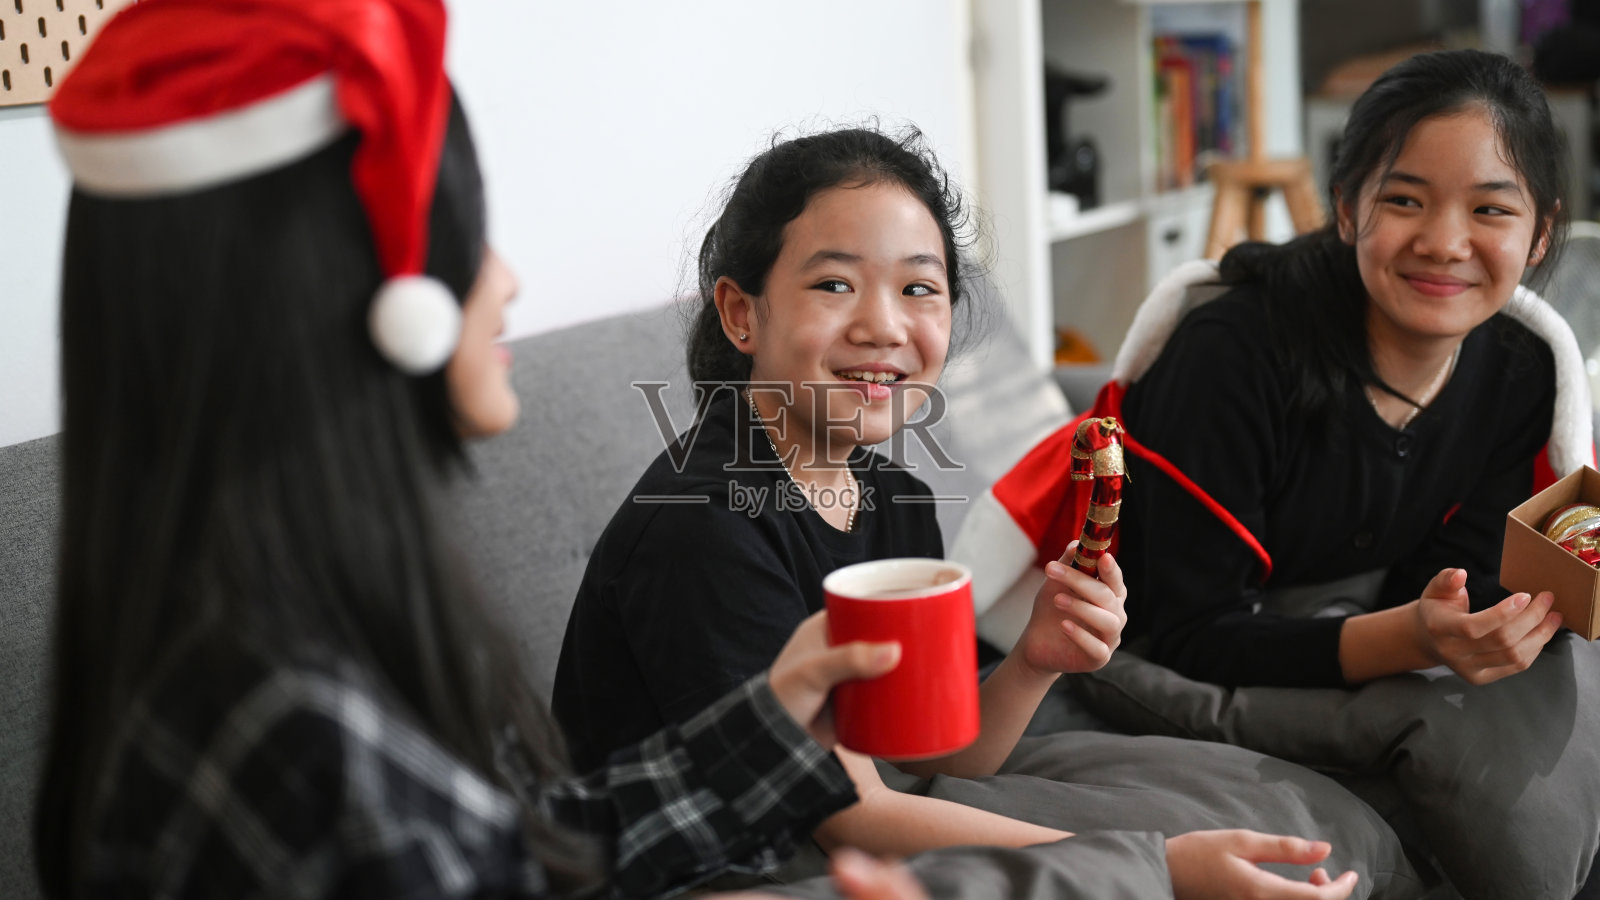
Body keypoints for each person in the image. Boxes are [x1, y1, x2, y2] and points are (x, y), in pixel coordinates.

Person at [29, 3, 942, 898]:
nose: (504, 281)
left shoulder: (343, 627)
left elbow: (515, 856)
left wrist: (763, 731)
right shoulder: (288, 731)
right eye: (465, 240)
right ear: (346, 300)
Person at [554, 126, 1401, 899]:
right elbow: (847, 811)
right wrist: (1152, 863)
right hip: (709, 869)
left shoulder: (893, 500)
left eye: (919, 288)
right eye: (835, 283)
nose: (884, 326)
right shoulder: (705, 526)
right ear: (742, 312)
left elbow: (933, 754)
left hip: (837, 827)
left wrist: (1034, 658)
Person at [1115, 49, 1580, 689]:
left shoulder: (1521, 374)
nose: (1444, 244)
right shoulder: (1227, 358)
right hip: (1163, 665)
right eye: (1404, 200)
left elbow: (1463, 586)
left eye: (1490, 210)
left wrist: (1464, 630)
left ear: (1541, 234)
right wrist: (1410, 638)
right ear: (1345, 210)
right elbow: (1182, 632)